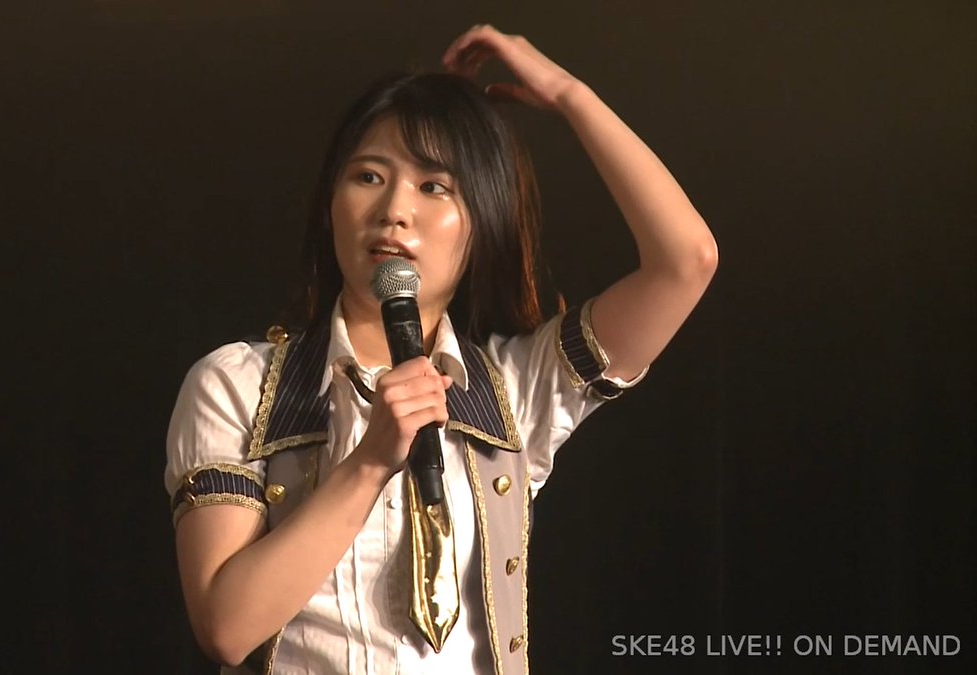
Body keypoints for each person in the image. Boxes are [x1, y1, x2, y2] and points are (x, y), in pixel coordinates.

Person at [164, 24, 718, 675]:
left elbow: (687, 261)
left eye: (435, 187)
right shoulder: (239, 384)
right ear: (329, 206)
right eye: (369, 176)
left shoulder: (513, 390)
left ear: (481, 222)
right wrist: (370, 461)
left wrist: (571, 95)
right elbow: (227, 628)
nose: (394, 209)